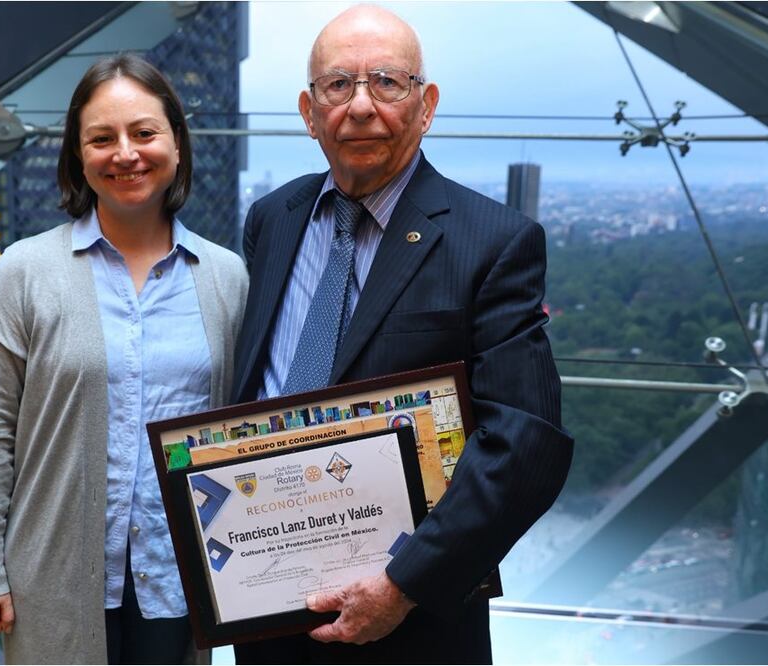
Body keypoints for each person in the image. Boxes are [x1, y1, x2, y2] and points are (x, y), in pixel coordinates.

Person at [231, 6, 573, 664]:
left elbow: (526, 444)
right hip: (269, 607)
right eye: (338, 85)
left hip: (413, 627)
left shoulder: (492, 242)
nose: (360, 106)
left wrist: (403, 585)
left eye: (386, 82)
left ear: (426, 105)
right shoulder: (272, 218)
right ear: (308, 112)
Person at [0, 54, 248, 664]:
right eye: (101, 138)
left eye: (144, 132)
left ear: (176, 143)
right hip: (52, 576)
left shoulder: (226, 278)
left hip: (179, 575)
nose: (125, 154)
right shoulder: (24, 271)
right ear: (78, 154)